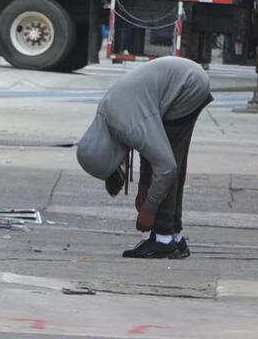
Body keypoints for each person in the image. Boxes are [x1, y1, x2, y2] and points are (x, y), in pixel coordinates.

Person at [77, 56, 212, 259]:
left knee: (168, 163)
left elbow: (166, 168)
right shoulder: (112, 120)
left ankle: (163, 238)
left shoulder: (125, 125)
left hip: (185, 85)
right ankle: (176, 236)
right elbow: (147, 145)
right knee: (170, 159)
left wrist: (149, 210)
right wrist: (143, 186)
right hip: (186, 78)